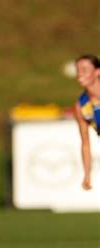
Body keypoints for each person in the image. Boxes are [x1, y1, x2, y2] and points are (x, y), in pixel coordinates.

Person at [73, 54, 100, 190]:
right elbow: (85, 143)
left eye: (84, 69)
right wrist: (87, 174)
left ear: (97, 71)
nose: (79, 74)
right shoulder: (81, 106)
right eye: (77, 70)